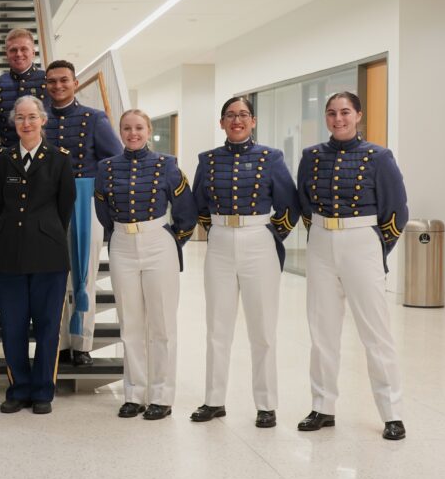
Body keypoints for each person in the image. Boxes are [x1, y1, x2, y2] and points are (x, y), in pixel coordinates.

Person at [296, 91, 408, 441]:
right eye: (331, 113)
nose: (338, 119)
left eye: (345, 112)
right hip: (321, 242)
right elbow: (304, 203)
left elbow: (397, 211)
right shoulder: (311, 157)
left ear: (358, 115)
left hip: (362, 240)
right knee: (322, 331)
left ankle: (392, 413)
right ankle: (322, 406)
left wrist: (375, 247)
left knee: (376, 332)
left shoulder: (379, 156)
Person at [189, 96, 297, 429]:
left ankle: (266, 404)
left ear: (253, 122)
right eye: (230, 115)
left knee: (262, 329)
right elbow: (198, 204)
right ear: (221, 123)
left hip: (259, 240)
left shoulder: (271, 157)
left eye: (243, 115)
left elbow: (289, 206)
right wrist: (220, 229)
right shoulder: (207, 161)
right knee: (217, 327)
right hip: (220, 241)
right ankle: (214, 400)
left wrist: (268, 236)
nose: (237, 120)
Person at [95, 110, 196, 420]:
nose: (132, 133)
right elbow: (103, 210)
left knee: (162, 325)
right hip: (123, 244)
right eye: (127, 128)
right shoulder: (106, 168)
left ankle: (162, 397)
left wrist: (170, 242)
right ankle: (134, 394)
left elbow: (186, 212)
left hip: (158, 242)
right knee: (131, 324)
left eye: (139, 127)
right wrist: (119, 237)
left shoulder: (167, 164)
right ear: (120, 132)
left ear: (149, 130)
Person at [0, 96, 75, 415]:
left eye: (32, 117)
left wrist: (44, 230)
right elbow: (1, 203)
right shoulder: (3, 159)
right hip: (10, 253)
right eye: (21, 118)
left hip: (49, 255)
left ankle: (42, 390)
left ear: (43, 120)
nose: (26, 123)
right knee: (12, 326)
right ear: (14, 122)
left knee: (47, 326)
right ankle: (18, 388)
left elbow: (64, 206)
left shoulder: (60, 159)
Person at [43, 59, 122, 367]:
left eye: (64, 80)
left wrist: (99, 195)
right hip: (47, 199)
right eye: (52, 81)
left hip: (84, 196)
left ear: (75, 83)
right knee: (54, 274)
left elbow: (113, 161)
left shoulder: (94, 118)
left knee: (84, 273)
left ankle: (82, 343)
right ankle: (59, 342)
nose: (58, 86)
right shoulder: (38, 118)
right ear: (46, 85)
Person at [0, 28, 49, 330]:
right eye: (12, 50)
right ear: (5, 53)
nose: (18, 55)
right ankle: (3, 308)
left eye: (24, 49)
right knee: (6, 240)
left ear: (33, 50)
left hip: (42, 168)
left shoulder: (47, 81)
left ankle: (39, 308)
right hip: (8, 170)